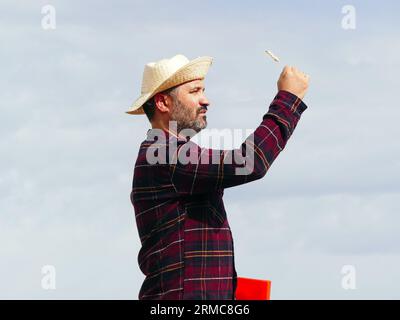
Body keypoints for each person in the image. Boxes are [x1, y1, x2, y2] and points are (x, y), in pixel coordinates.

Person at [127, 54, 309, 300]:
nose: (206, 100)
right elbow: (250, 162)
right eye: (194, 91)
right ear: (162, 102)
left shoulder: (166, 154)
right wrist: (288, 99)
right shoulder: (162, 153)